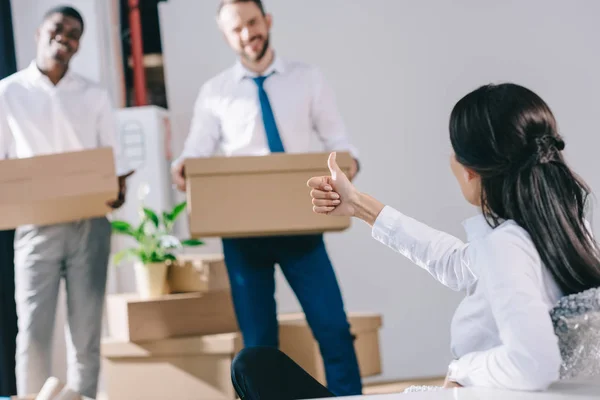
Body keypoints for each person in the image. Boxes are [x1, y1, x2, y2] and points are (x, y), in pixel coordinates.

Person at [230, 83, 600, 399]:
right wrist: (358, 204)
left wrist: (463, 369)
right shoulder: (565, 231)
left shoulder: (508, 245)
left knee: (253, 366)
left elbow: (534, 362)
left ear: (470, 170)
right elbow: (457, 263)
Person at [171, 0, 362, 395]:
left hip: (301, 224)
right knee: (258, 343)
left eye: (252, 23)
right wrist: (183, 167)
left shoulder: (307, 78)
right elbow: (196, 152)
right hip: (243, 236)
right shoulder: (215, 93)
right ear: (226, 36)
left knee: (333, 329)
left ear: (267, 20)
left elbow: (339, 141)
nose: (247, 34)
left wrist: (350, 163)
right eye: (236, 29)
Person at [0, 6, 132, 399]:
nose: (65, 37)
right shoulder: (8, 92)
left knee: (86, 335)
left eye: (75, 33)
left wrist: (116, 188)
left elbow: (114, 160)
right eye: (59, 28)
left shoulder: (93, 94)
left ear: (79, 44)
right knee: (33, 333)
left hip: (89, 224)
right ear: (41, 31)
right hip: (35, 226)